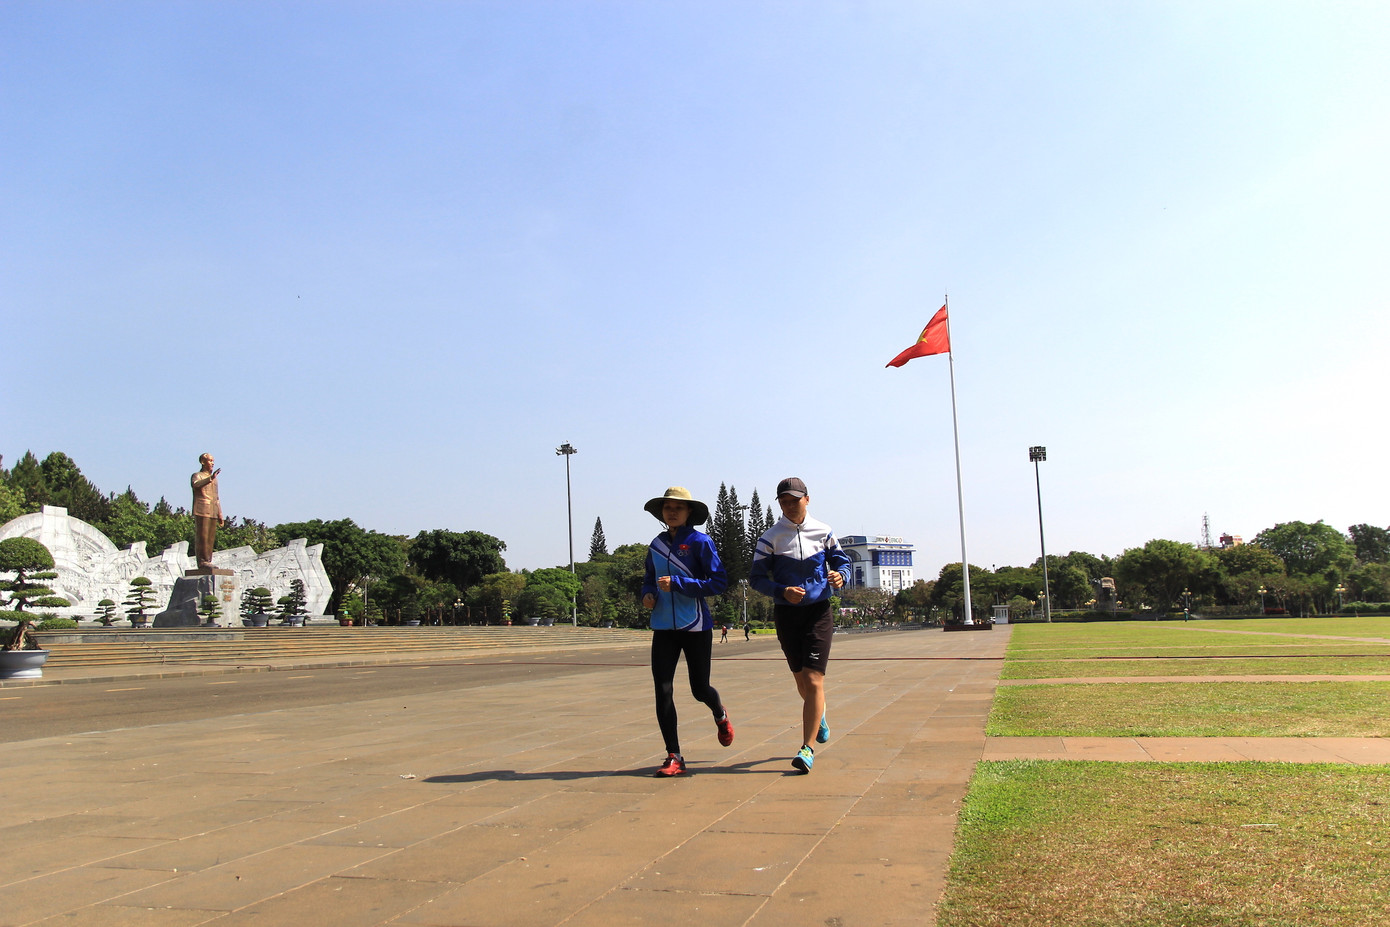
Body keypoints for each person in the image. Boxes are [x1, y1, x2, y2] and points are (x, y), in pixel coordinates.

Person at [748, 477, 851, 774]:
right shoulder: (771, 538)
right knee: (801, 682)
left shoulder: (824, 531)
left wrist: (839, 576)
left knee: (815, 679)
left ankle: (806, 749)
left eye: (795, 499)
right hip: (787, 615)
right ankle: (820, 716)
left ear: (807, 499)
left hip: (818, 612)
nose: (790, 505)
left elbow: (842, 563)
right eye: (784, 501)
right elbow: (757, 579)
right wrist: (782, 591)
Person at [641, 486, 734, 776]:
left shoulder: (700, 542)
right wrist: (647, 594)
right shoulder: (655, 545)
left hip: (695, 626)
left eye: (678, 508)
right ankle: (674, 755)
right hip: (663, 627)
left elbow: (718, 582)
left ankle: (719, 713)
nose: (672, 512)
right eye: (668, 508)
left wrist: (680, 584)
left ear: (689, 512)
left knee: (699, 688)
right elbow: (648, 579)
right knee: (663, 689)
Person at [190, 453, 223, 570]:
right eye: (210, 461)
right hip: (202, 508)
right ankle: (202, 561)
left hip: (213, 508)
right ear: (203, 462)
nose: (212, 463)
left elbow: (216, 496)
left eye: (213, 461)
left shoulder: (215, 480)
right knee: (202, 536)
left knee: (210, 537)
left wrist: (220, 513)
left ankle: (208, 560)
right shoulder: (197, 475)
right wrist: (210, 478)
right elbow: (195, 485)